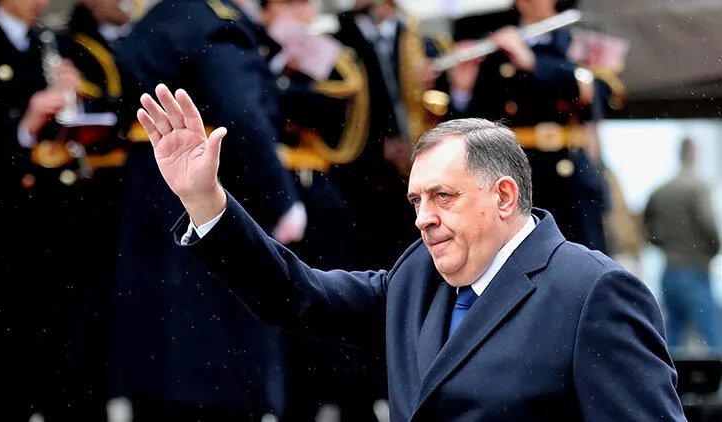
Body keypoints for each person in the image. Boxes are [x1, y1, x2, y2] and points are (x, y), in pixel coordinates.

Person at [136, 85, 685, 421]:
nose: (423, 217)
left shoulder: (592, 291)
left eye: (443, 196)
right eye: (416, 200)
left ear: (503, 196)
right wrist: (204, 200)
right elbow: (296, 295)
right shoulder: (417, 278)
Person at [107, 0, 304, 419]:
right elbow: (243, 116)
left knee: (158, 363)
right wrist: (282, 198)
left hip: (149, 195)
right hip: (206, 193)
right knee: (219, 361)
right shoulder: (216, 24)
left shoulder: (159, 17)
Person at [256, 0, 380, 419]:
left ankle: (344, 401)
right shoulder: (250, 48)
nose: (303, 13)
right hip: (269, 191)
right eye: (290, 4)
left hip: (318, 194)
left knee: (327, 301)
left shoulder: (327, 57)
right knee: (280, 308)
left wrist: (282, 86)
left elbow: (338, 111)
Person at [0, 0, 80, 418]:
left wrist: (72, 100)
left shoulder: (45, 43)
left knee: (49, 334)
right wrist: (24, 127)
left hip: (48, 219)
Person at [28, 1, 133, 420]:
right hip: (72, 203)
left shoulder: (126, 39)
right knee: (71, 320)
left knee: (106, 321)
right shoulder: (68, 42)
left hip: (115, 200)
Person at [445, 0, 615, 253]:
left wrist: (533, 63)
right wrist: (462, 89)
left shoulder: (577, 42)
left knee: (581, 256)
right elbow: (474, 124)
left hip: (568, 172)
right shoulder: (497, 49)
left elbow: (602, 97)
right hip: (514, 171)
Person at [332, 0, 449, 270]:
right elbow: (335, 118)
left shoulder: (420, 40)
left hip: (417, 161)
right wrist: (377, 148)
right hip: (364, 177)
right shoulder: (339, 42)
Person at [644, 138, 721, 352]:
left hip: (670, 270)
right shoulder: (698, 187)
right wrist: (713, 249)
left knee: (672, 338)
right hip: (695, 269)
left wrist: (663, 244)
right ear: (694, 154)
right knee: (713, 337)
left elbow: (647, 227)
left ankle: (670, 376)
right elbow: (708, 225)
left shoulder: (660, 191)